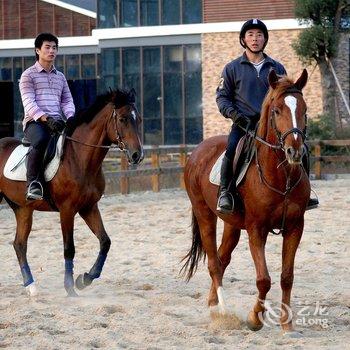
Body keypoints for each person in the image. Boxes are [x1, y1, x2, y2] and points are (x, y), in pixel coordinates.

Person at [216, 18, 319, 213]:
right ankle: (225, 192)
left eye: (259, 35)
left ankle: (305, 191)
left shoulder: (277, 68)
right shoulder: (231, 68)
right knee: (231, 149)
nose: (255, 39)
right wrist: (234, 115)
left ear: (265, 40)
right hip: (243, 123)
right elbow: (222, 98)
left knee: (301, 148)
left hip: (273, 124)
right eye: (251, 35)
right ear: (243, 40)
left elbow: (286, 97)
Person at [19, 32, 75, 201]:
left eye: (55, 47)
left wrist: (71, 117)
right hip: (35, 123)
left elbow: (67, 100)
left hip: (58, 121)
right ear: (38, 50)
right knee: (42, 139)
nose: (52, 51)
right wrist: (46, 119)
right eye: (48, 47)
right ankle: (33, 184)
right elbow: (28, 102)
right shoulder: (28, 75)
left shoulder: (60, 77)